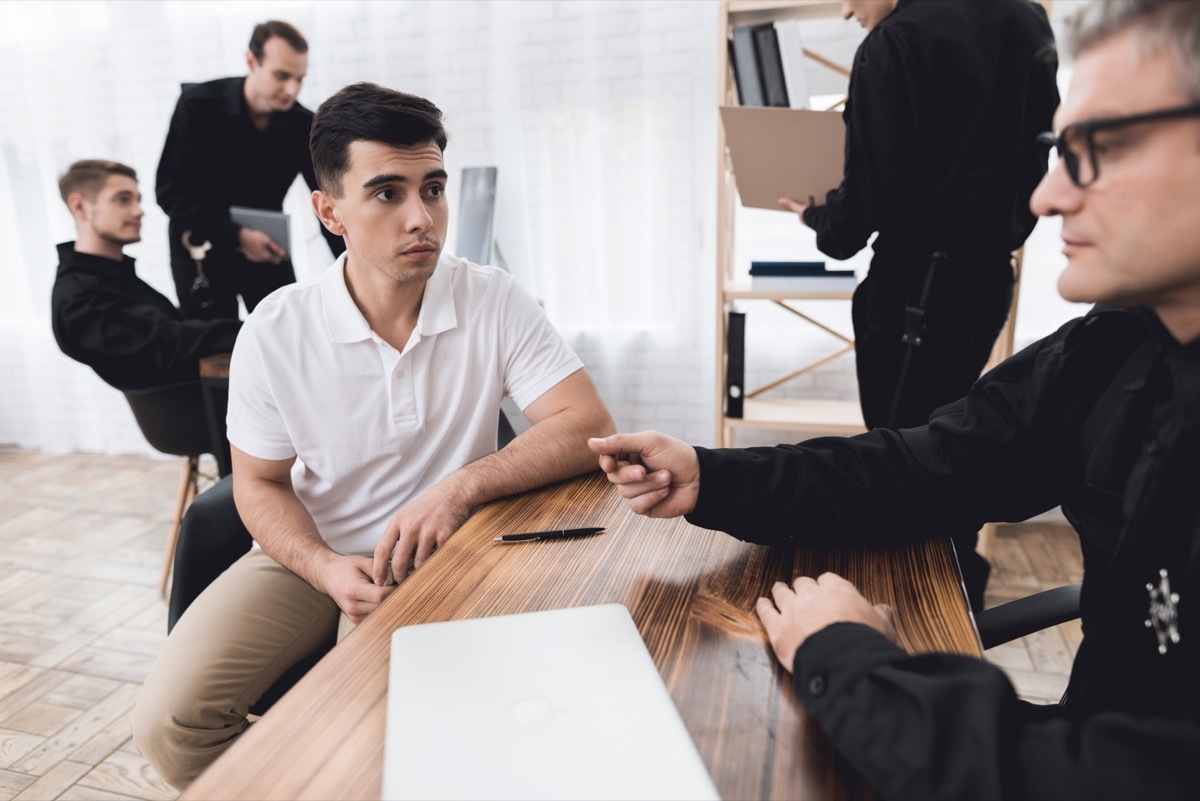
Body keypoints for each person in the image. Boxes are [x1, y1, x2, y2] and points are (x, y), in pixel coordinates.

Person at [591, 1, 1200, 796]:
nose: (1045, 198)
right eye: (1058, 149)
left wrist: (854, 659)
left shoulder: (897, 45)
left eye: (1100, 148)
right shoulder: (1119, 343)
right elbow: (928, 462)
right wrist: (714, 475)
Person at [133, 82, 616, 789]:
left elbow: (587, 425)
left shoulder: (492, 297)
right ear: (329, 210)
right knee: (169, 726)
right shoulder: (276, 329)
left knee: (384, 731)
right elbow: (260, 484)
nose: (421, 217)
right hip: (313, 554)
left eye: (434, 188)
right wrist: (325, 567)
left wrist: (460, 487)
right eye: (387, 193)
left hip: (442, 556)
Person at [780, 0, 1058, 431]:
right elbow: (1038, 148)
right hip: (989, 283)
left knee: (895, 461)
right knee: (941, 449)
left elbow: (860, 207)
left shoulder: (893, 41)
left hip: (915, 291)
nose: (846, 13)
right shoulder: (1026, 17)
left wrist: (817, 216)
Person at [156, 20, 345, 320]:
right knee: (214, 347)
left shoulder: (303, 124)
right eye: (281, 76)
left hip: (267, 246)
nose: (291, 89)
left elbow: (328, 199)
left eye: (299, 79)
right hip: (199, 246)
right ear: (251, 61)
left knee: (287, 332)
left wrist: (356, 266)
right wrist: (237, 236)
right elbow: (170, 192)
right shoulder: (198, 106)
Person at [51, 159, 241, 391]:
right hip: (196, 415)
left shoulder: (113, 279)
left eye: (138, 200)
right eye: (123, 199)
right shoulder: (80, 298)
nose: (139, 211)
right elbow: (169, 342)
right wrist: (252, 331)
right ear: (79, 206)